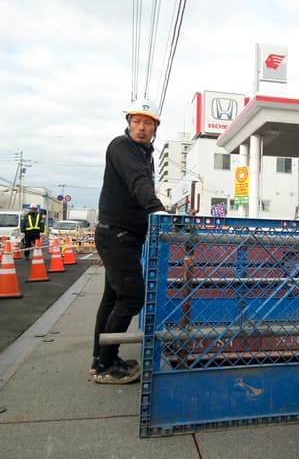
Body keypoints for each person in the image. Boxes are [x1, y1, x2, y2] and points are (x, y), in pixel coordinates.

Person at [91, 98, 166, 385]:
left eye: (148, 123)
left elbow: (139, 184)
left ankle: (100, 359)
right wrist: (158, 210)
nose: (142, 127)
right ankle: (106, 364)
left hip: (122, 235)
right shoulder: (121, 147)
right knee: (132, 297)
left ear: (155, 128)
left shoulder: (143, 153)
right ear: (128, 123)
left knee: (112, 299)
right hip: (117, 235)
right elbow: (138, 183)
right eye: (137, 121)